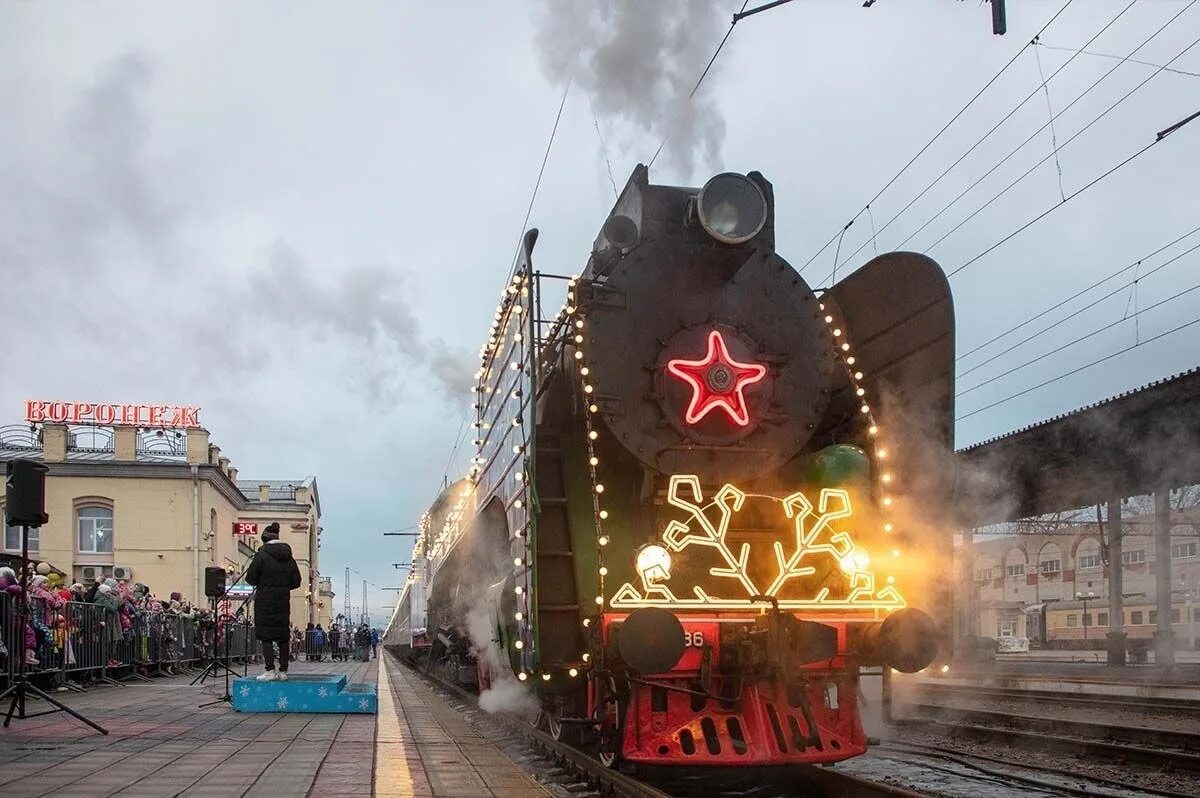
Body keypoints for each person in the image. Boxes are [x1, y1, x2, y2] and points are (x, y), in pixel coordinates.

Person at [245, 522, 301, 681]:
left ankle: (270, 670)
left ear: (264, 540)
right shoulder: (289, 557)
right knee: (283, 635)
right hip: (283, 600)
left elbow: (250, 578)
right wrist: (283, 587)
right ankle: (283, 671)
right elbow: (296, 581)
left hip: (264, 600)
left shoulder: (261, 555)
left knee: (266, 635)